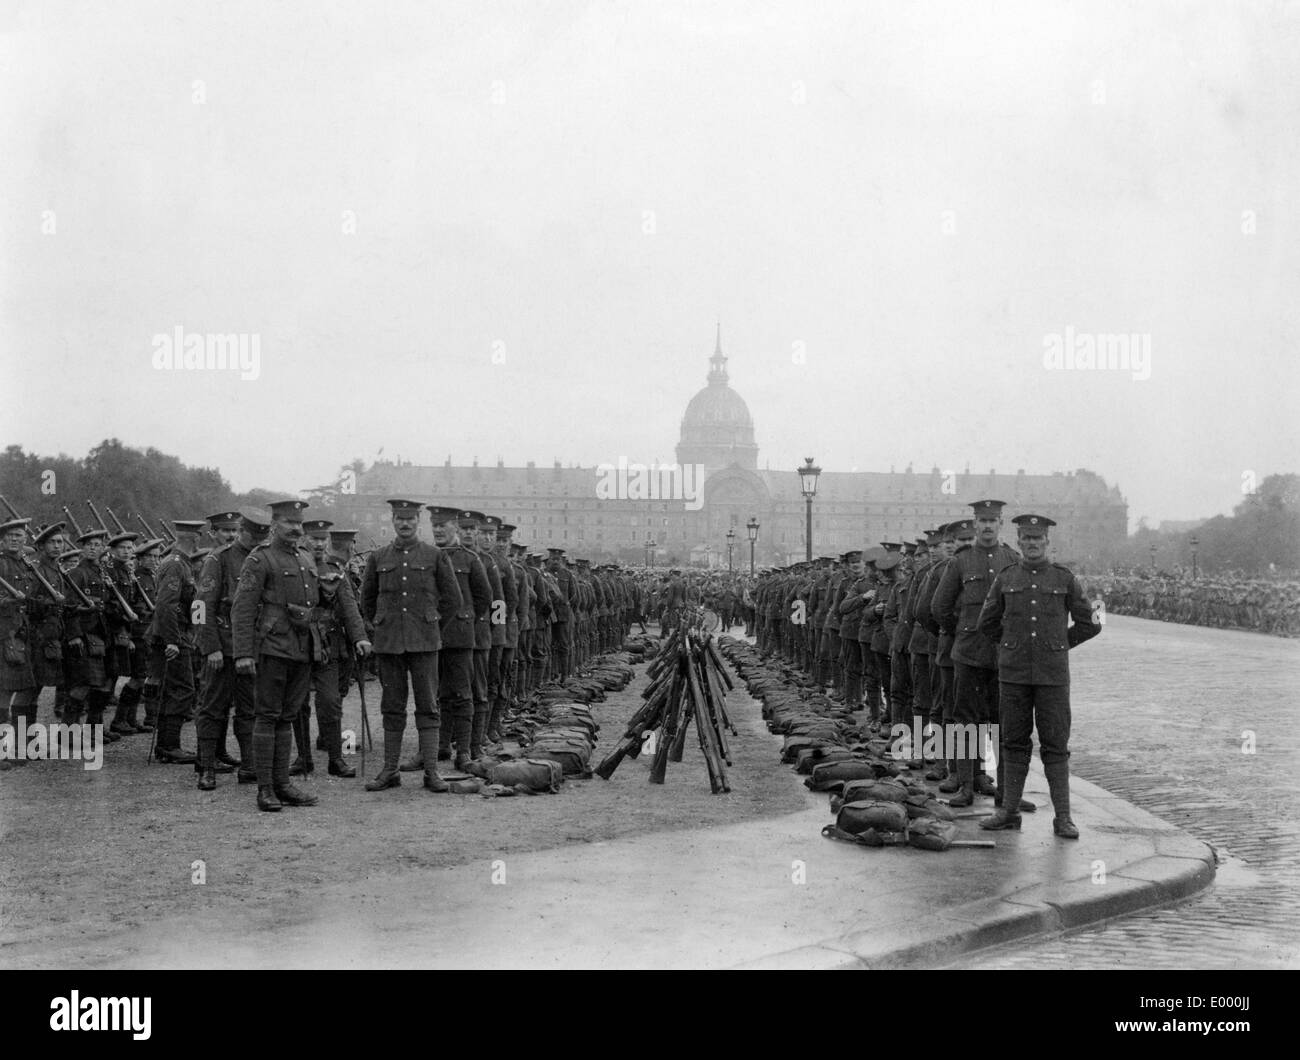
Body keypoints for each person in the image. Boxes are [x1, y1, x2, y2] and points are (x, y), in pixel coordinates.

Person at [977, 514, 1101, 837]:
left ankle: (1063, 818)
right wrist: (1010, 645)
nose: (1032, 544)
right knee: (1014, 742)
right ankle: (1009, 812)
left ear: (1047, 542)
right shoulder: (1006, 577)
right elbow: (986, 622)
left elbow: (1090, 623)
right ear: (1018, 541)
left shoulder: (1064, 579)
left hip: (1052, 678)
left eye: (1038, 539)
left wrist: (1059, 645)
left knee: (1056, 745)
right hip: (1014, 676)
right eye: (1026, 539)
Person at [358, 499, 459, 793]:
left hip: (425, 643)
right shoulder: (378, 557)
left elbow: (452, 600)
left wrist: (432, 626)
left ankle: (431, 772)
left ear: (418, 521)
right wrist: (378, 626)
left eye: (410, 519)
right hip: (389, 644)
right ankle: (390, 770)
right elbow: (367, 599)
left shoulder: (434, 555)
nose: (405, 524)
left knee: (428, 705)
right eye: (399, 518)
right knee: (392, 706)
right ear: (392, 520)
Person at [194, 509, 269, 788]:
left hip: (251, 647)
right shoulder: (219, 559)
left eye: (263, 535)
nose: (256, 540)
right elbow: (201, 606)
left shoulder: (263, 558)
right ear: (243, 531)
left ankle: (250, 766)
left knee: (250, 708)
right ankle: (206, 767)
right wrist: (210, 646)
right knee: (213, 707)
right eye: (251, 534)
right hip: (223, 647)